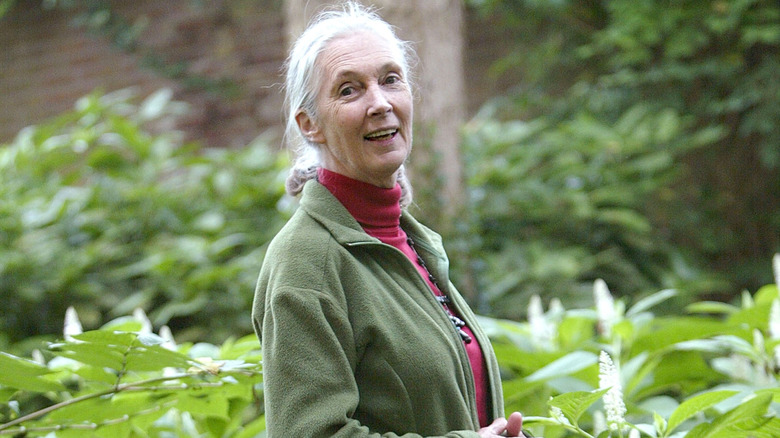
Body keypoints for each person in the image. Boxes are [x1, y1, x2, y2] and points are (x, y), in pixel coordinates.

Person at [252, 2, 526, 437]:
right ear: (310, 125)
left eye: (390, 80)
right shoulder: (307, 263)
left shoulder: (410, 241)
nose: (380, 103)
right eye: (349, 90)